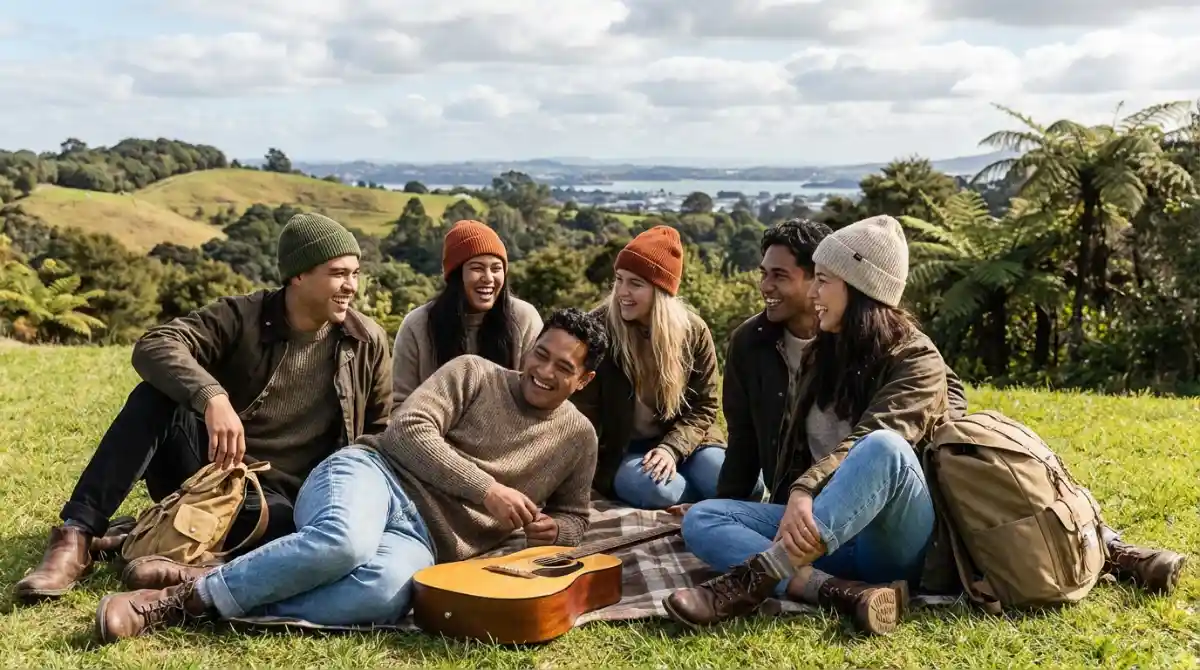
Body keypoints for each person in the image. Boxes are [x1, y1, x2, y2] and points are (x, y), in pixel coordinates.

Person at [663, 215, 1187, 635]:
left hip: (901, 538)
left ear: (860, 289)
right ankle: (839, 592)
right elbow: (756, 440)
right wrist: (793, 496)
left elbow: (883, 435)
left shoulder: (916, 359)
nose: (814, 295)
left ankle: (759, 577)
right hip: (831, 532)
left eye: (824, 282)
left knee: (885, 448)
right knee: (702, 521)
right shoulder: (818, 348)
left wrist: (802, 490)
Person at [92, 308, 609, 644]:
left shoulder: (577, 438)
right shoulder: (473, 372)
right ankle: (174, 604)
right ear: (530, 347)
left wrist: (553, 531)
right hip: (374, 474)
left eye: (564, 367)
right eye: (541, 353)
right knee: (344, 542)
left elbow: (574, 518)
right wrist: (486, 489)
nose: (544, 370)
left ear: (583, 379)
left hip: (426, 540)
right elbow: (407, 432)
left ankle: (207, 579)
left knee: (383, 596)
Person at [14, 212, 393, 604]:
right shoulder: (242, 316)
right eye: (338, 274)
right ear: (297, 275)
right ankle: (77, 536)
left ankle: (161, 548)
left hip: (282, 499)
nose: (351, 286)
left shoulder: (367, 340)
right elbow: (156, 344)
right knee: (154, 397)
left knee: (294, 532)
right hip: (211, 471)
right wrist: (212, 396)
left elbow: (380, 429)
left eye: (355, 273)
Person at [573, 225, 763, 510]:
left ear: (661, 290)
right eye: (619, 280)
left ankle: (715, 503)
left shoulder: (693, 331)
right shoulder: (597, 329)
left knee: (746, 482)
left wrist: (671, 448)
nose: (623, 292)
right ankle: (711, 509)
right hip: (623, 451)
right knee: (657, 491)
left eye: (635, 284)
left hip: (689, 441)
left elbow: (705, 405)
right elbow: (581, 410)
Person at [391, 219, 542, 408]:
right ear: (456, 275)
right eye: (477, 268)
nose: (488, 278)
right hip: (432, 432)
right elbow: (400, 406)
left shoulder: (524, 319)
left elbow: (537, 400)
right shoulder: (417, 325)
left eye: (496, 268)